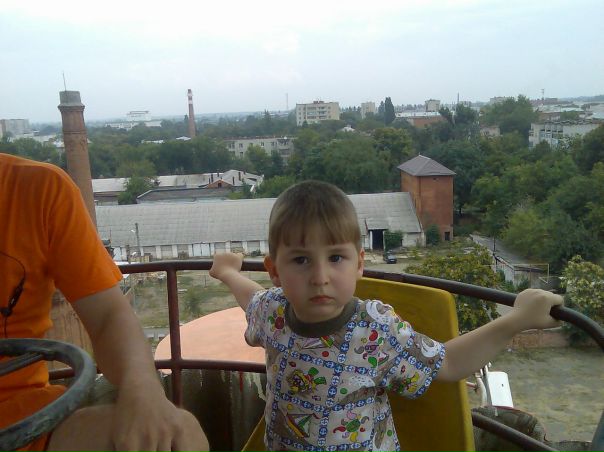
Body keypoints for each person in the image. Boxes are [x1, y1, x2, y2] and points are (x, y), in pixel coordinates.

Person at [209, 180, 563, 452]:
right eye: (301, 259)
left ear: (359, 263)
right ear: (274, 270)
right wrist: (226, 273)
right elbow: (251, 298)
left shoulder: (373, 330)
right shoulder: (274, 311)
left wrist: (518, 319)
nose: (320, 277)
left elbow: (449, 363)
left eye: (335, 258)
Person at [0, 153, 209, 452]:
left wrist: (143, 388)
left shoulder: (36, 189)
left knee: (179, 435)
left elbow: (108, 316)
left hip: (22, 418)